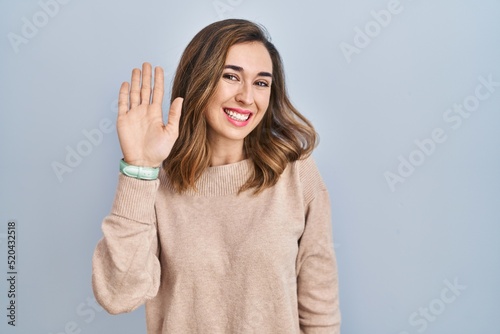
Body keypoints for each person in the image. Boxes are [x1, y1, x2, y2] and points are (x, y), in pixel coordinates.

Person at [92, 18, 341, 333]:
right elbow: (118, 295)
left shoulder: (297, 174)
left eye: (261, 83)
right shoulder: (154, 183)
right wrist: (138, 170)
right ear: (200, 81)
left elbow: (320, 312)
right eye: (231, 77)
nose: (246, 97)